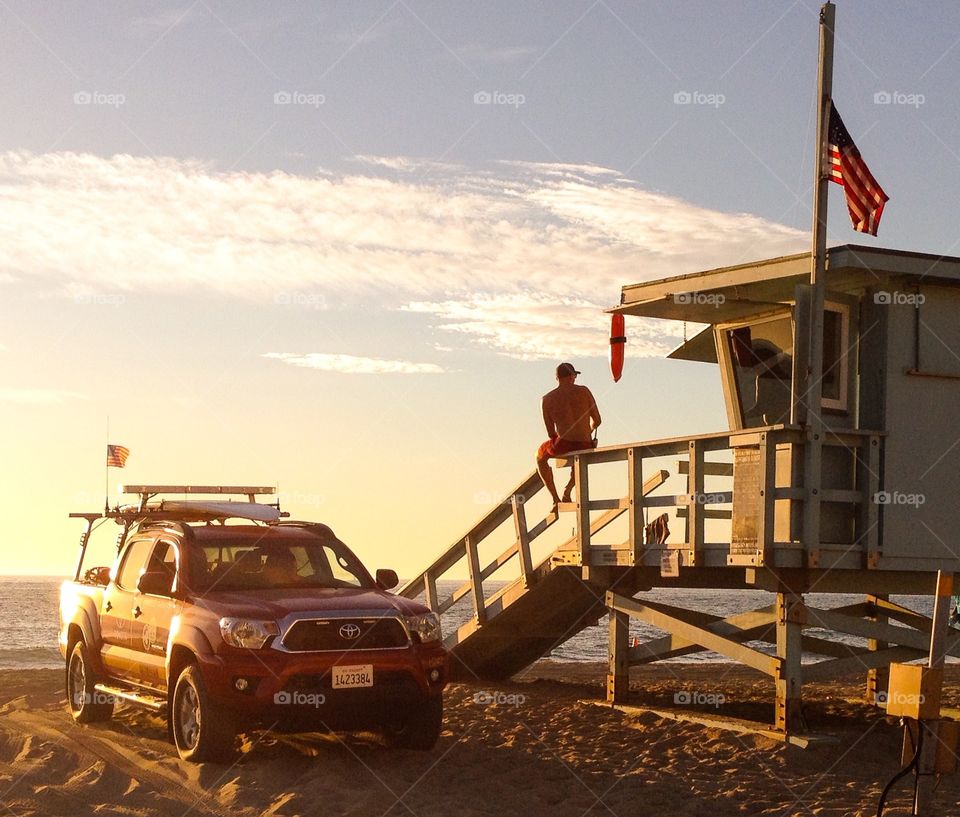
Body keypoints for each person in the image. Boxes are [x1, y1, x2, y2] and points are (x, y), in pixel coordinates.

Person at [536, 362, 601, 510]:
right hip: (585, 443)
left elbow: (550, 433)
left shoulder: (546, 399)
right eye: (575, 375)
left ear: (557, 378)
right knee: (579, 458)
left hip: (563, 443)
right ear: (571, 376)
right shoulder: (584, 391)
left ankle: (555, 499)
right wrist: (589, 432)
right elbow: (598, 420)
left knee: (539, 456)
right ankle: (568, 490)